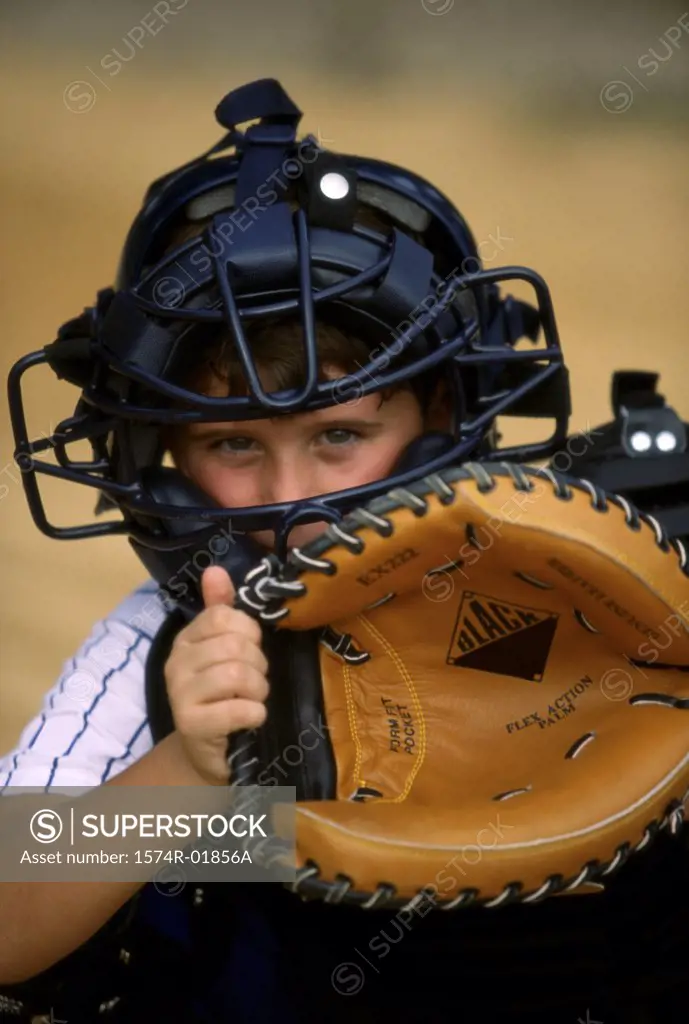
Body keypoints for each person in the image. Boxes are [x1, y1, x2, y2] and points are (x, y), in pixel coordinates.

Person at [2, 78, 686, 1024]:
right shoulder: (168, 651)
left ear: (440, 413)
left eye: (338, 437)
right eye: (233, 444)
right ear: (161, 456)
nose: (291, 500)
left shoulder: (610, 578)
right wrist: (188, 774)